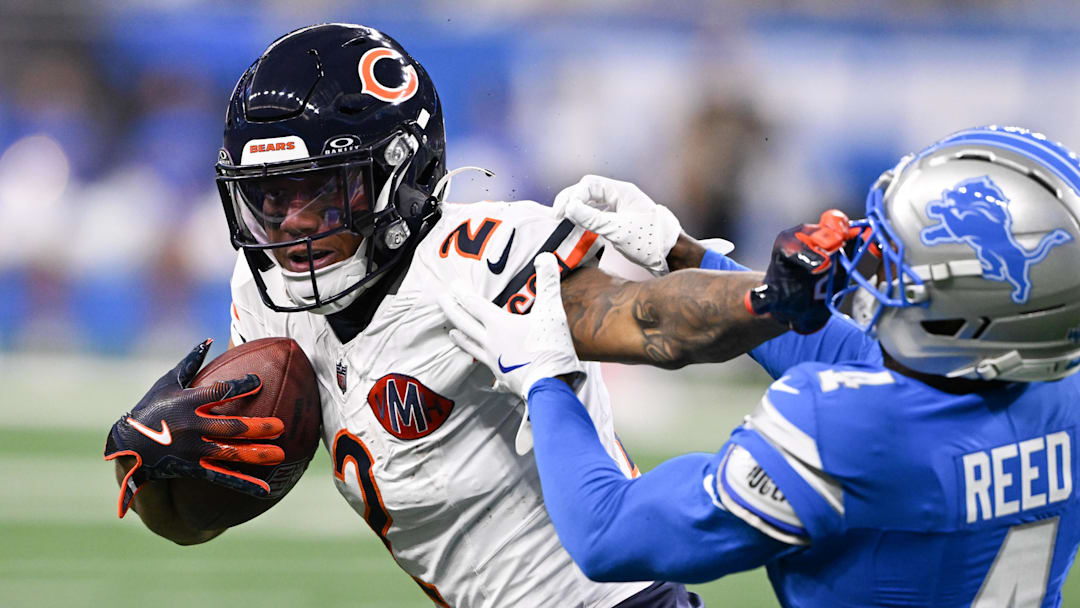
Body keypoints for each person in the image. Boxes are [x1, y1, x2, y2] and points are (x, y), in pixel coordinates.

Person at [102, 23, 841, 608]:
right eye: (269, 196)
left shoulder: (470, 260)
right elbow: (195, 521)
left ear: (400, 172)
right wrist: (164, 466)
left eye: (320, 191)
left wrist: (767, 295)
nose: (290, 225)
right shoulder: (265, 289)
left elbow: (645, 318)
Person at [439, 125, 1080, 607]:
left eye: (896, 259)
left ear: (976, 310)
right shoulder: (1058, 393)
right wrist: (687, 257)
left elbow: (607, 534)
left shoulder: (842, 425)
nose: (870, 260)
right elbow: (872, 364)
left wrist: (546, 379)